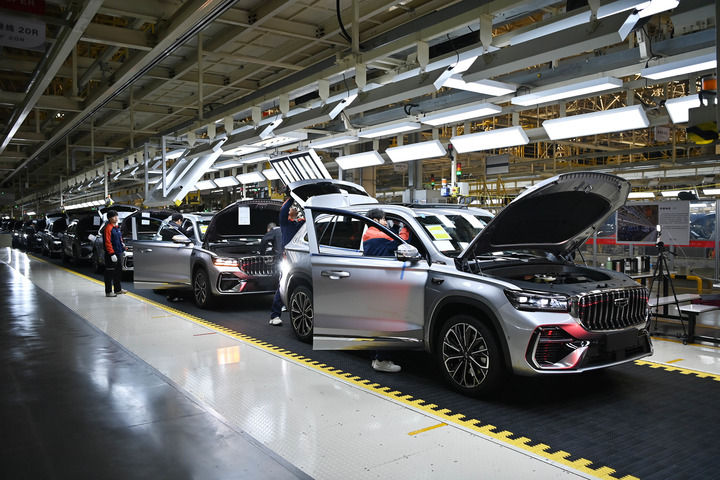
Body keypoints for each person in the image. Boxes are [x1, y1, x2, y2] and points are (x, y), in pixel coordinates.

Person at [363, 208, 409, 373]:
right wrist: (405, 228)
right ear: (375, 220)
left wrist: (396, 226)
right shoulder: (377, 235)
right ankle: (382, 360)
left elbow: (389, 240)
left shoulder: (370, 233)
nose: (386, 222)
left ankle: (375, 357)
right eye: (383, 219)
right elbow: (400, 242)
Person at [269, 188, 305, 326]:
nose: (293, 208)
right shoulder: (285, 223)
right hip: (287, 258)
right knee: (282, 285)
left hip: (299, 258)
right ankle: (274, 315)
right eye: (291, 208)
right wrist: (291, 197)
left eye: (294, 207)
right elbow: (284, 210)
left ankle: (290, 306)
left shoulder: (301, 224)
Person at [103, 210, 126, 297]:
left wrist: (123, 246)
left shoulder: (116, 228)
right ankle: (108, 292)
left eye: (116, 216)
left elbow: (119, 239)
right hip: (111, 254)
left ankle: (118, 289)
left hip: (118, 253)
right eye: (114, 216)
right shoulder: (108, 228)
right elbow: (107, 242)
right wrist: (111, 253)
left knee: (118, 272)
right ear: (109, 218)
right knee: (109, 273)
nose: (116, 218)